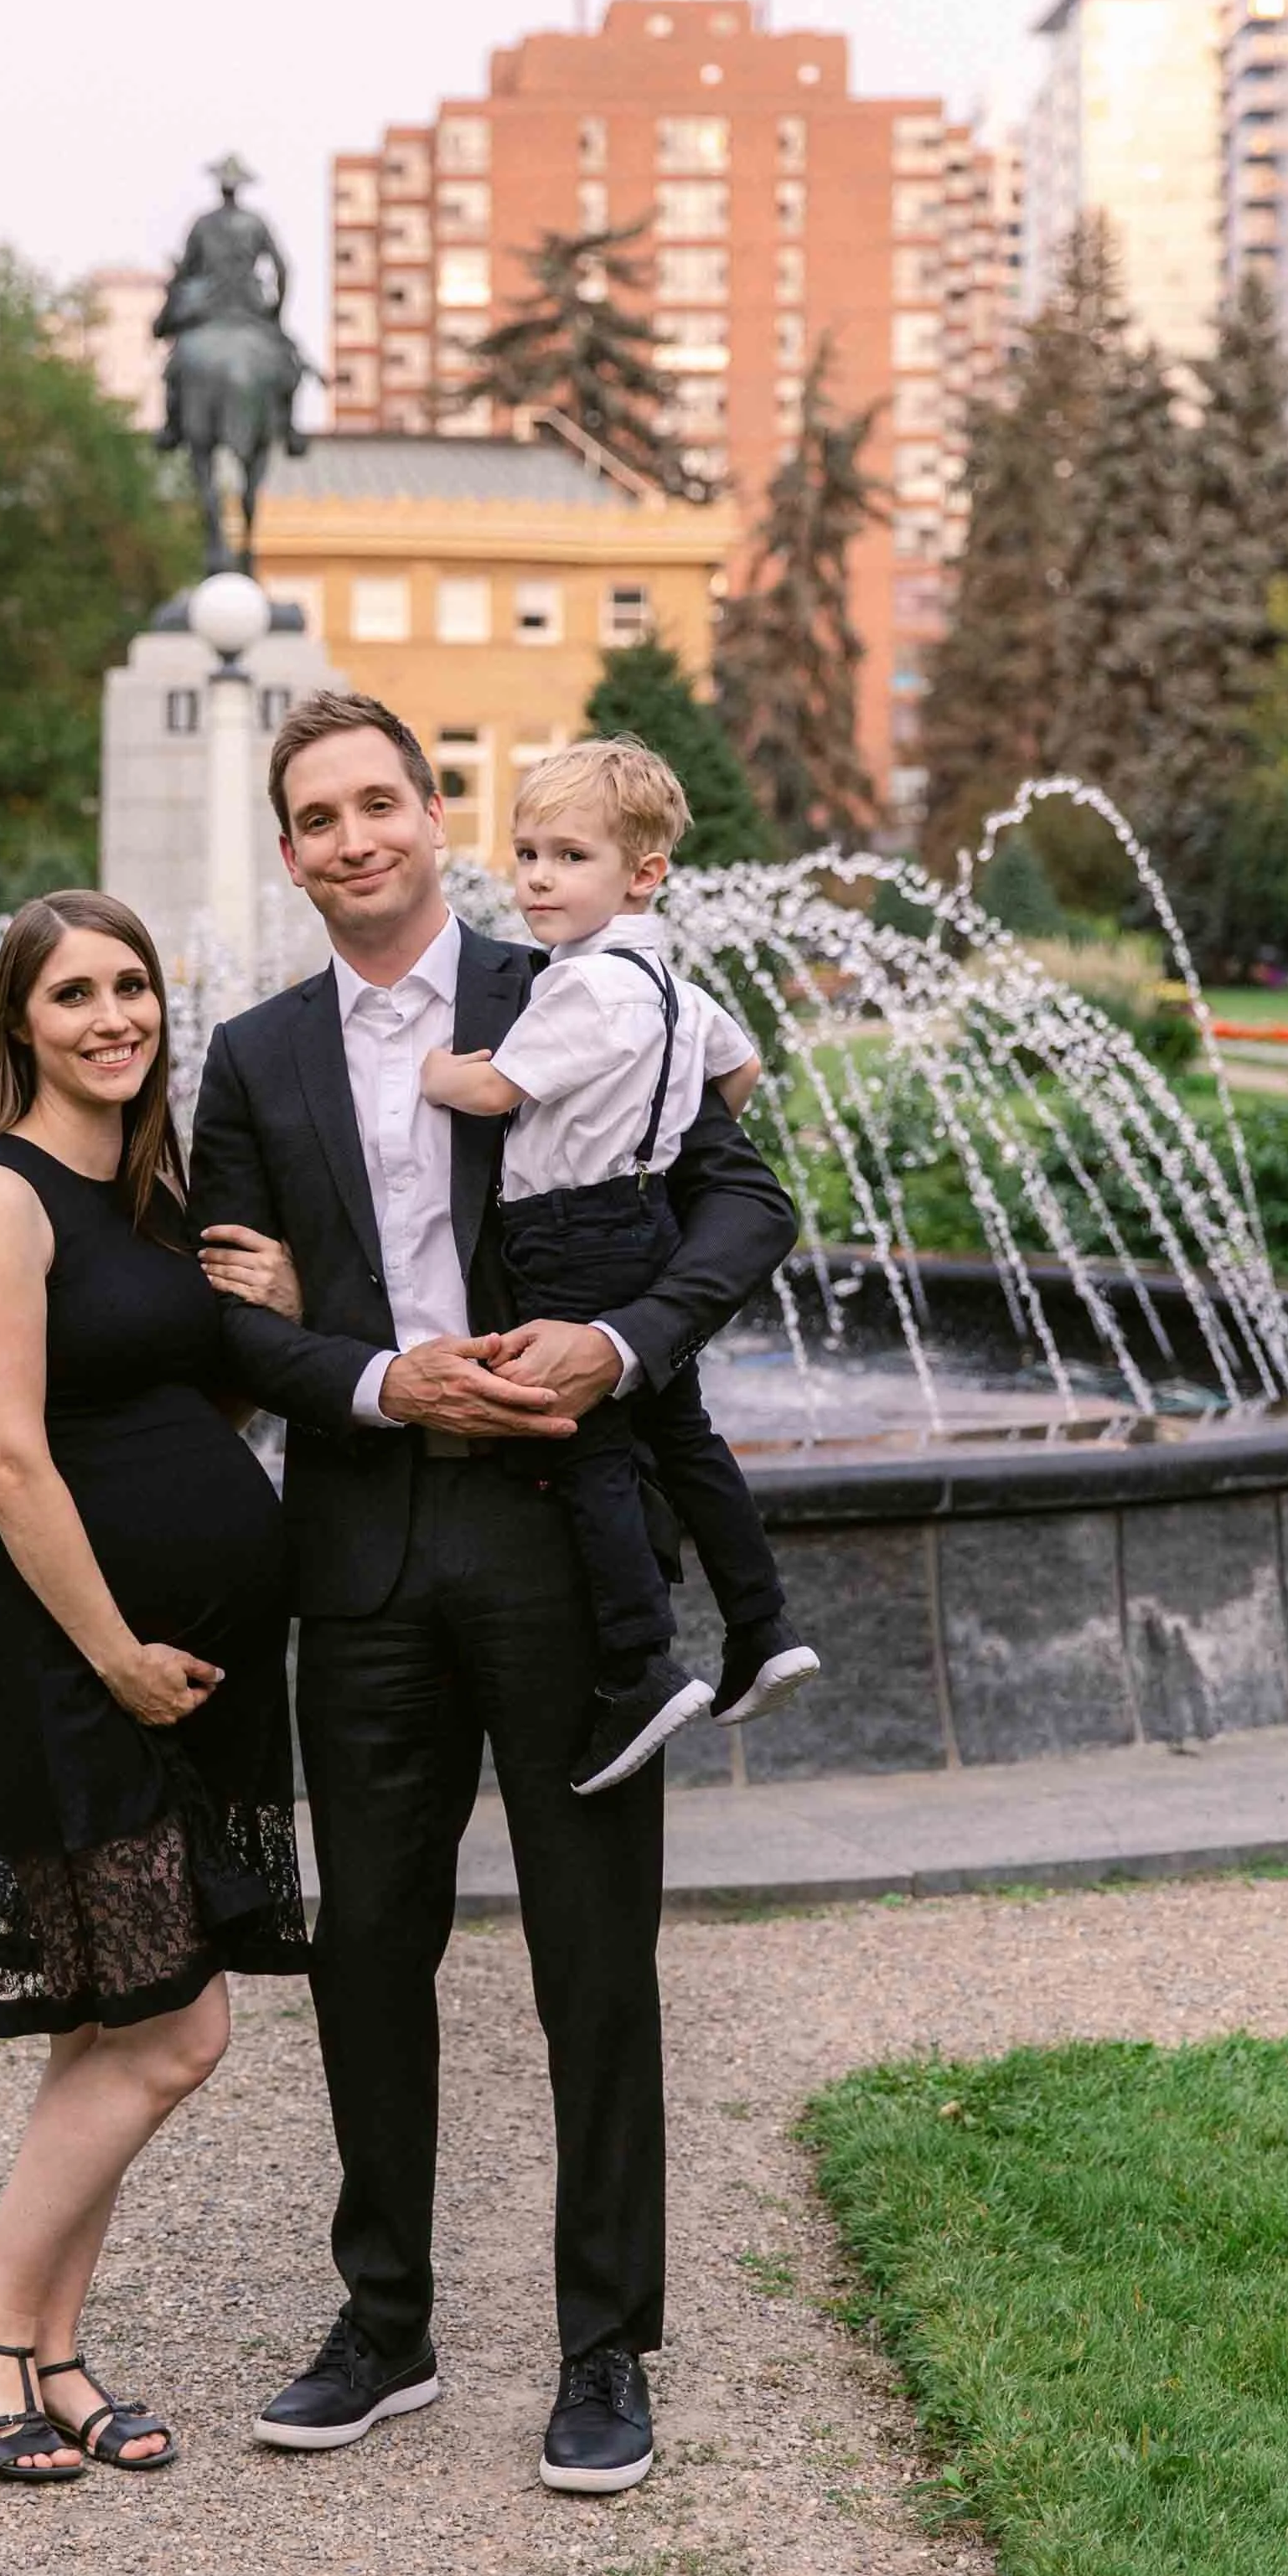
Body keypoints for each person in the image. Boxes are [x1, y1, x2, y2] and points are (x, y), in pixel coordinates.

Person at [189, 692, 797, 2496]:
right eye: (316, 816)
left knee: (591, 1954)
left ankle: (604, 2345)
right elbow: (230, 1316)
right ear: (287, 850)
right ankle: (384, 2325)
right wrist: (375, 1378)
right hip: (364, 1548)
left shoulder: (574, 984)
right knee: (365, 1945)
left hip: (563, 1536)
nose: (354, 837)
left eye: (380, 802)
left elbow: (746, 1206)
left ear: (431, 815)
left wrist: (618, 1346)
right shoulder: (252, 1058)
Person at [0, 890, 308, 2485]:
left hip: (185, 1670)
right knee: (176, 2031)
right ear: (21, 1024)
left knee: (116, 2020)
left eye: (133, 987)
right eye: (73, 994)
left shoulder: (149, 1193)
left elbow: (170, 1407)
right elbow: (7, 1454)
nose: (112, 1018)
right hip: (67, 1666)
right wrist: (114, 1653)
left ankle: (53, 2349)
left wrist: (262, 1325)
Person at [421, 736, 819, 1797]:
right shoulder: (672, 989)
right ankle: (761, 1624)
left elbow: (495, 1094)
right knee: (682, 1436)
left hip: (565, 1231)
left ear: (642, 873)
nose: (537, 879)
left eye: (567, 857)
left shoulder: (582, 987)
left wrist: (436, 1073)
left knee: (586, 1443)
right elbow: (741, 1071)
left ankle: (639, 1663)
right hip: (643, 1219)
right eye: (526, 854)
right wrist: (646, 1141)